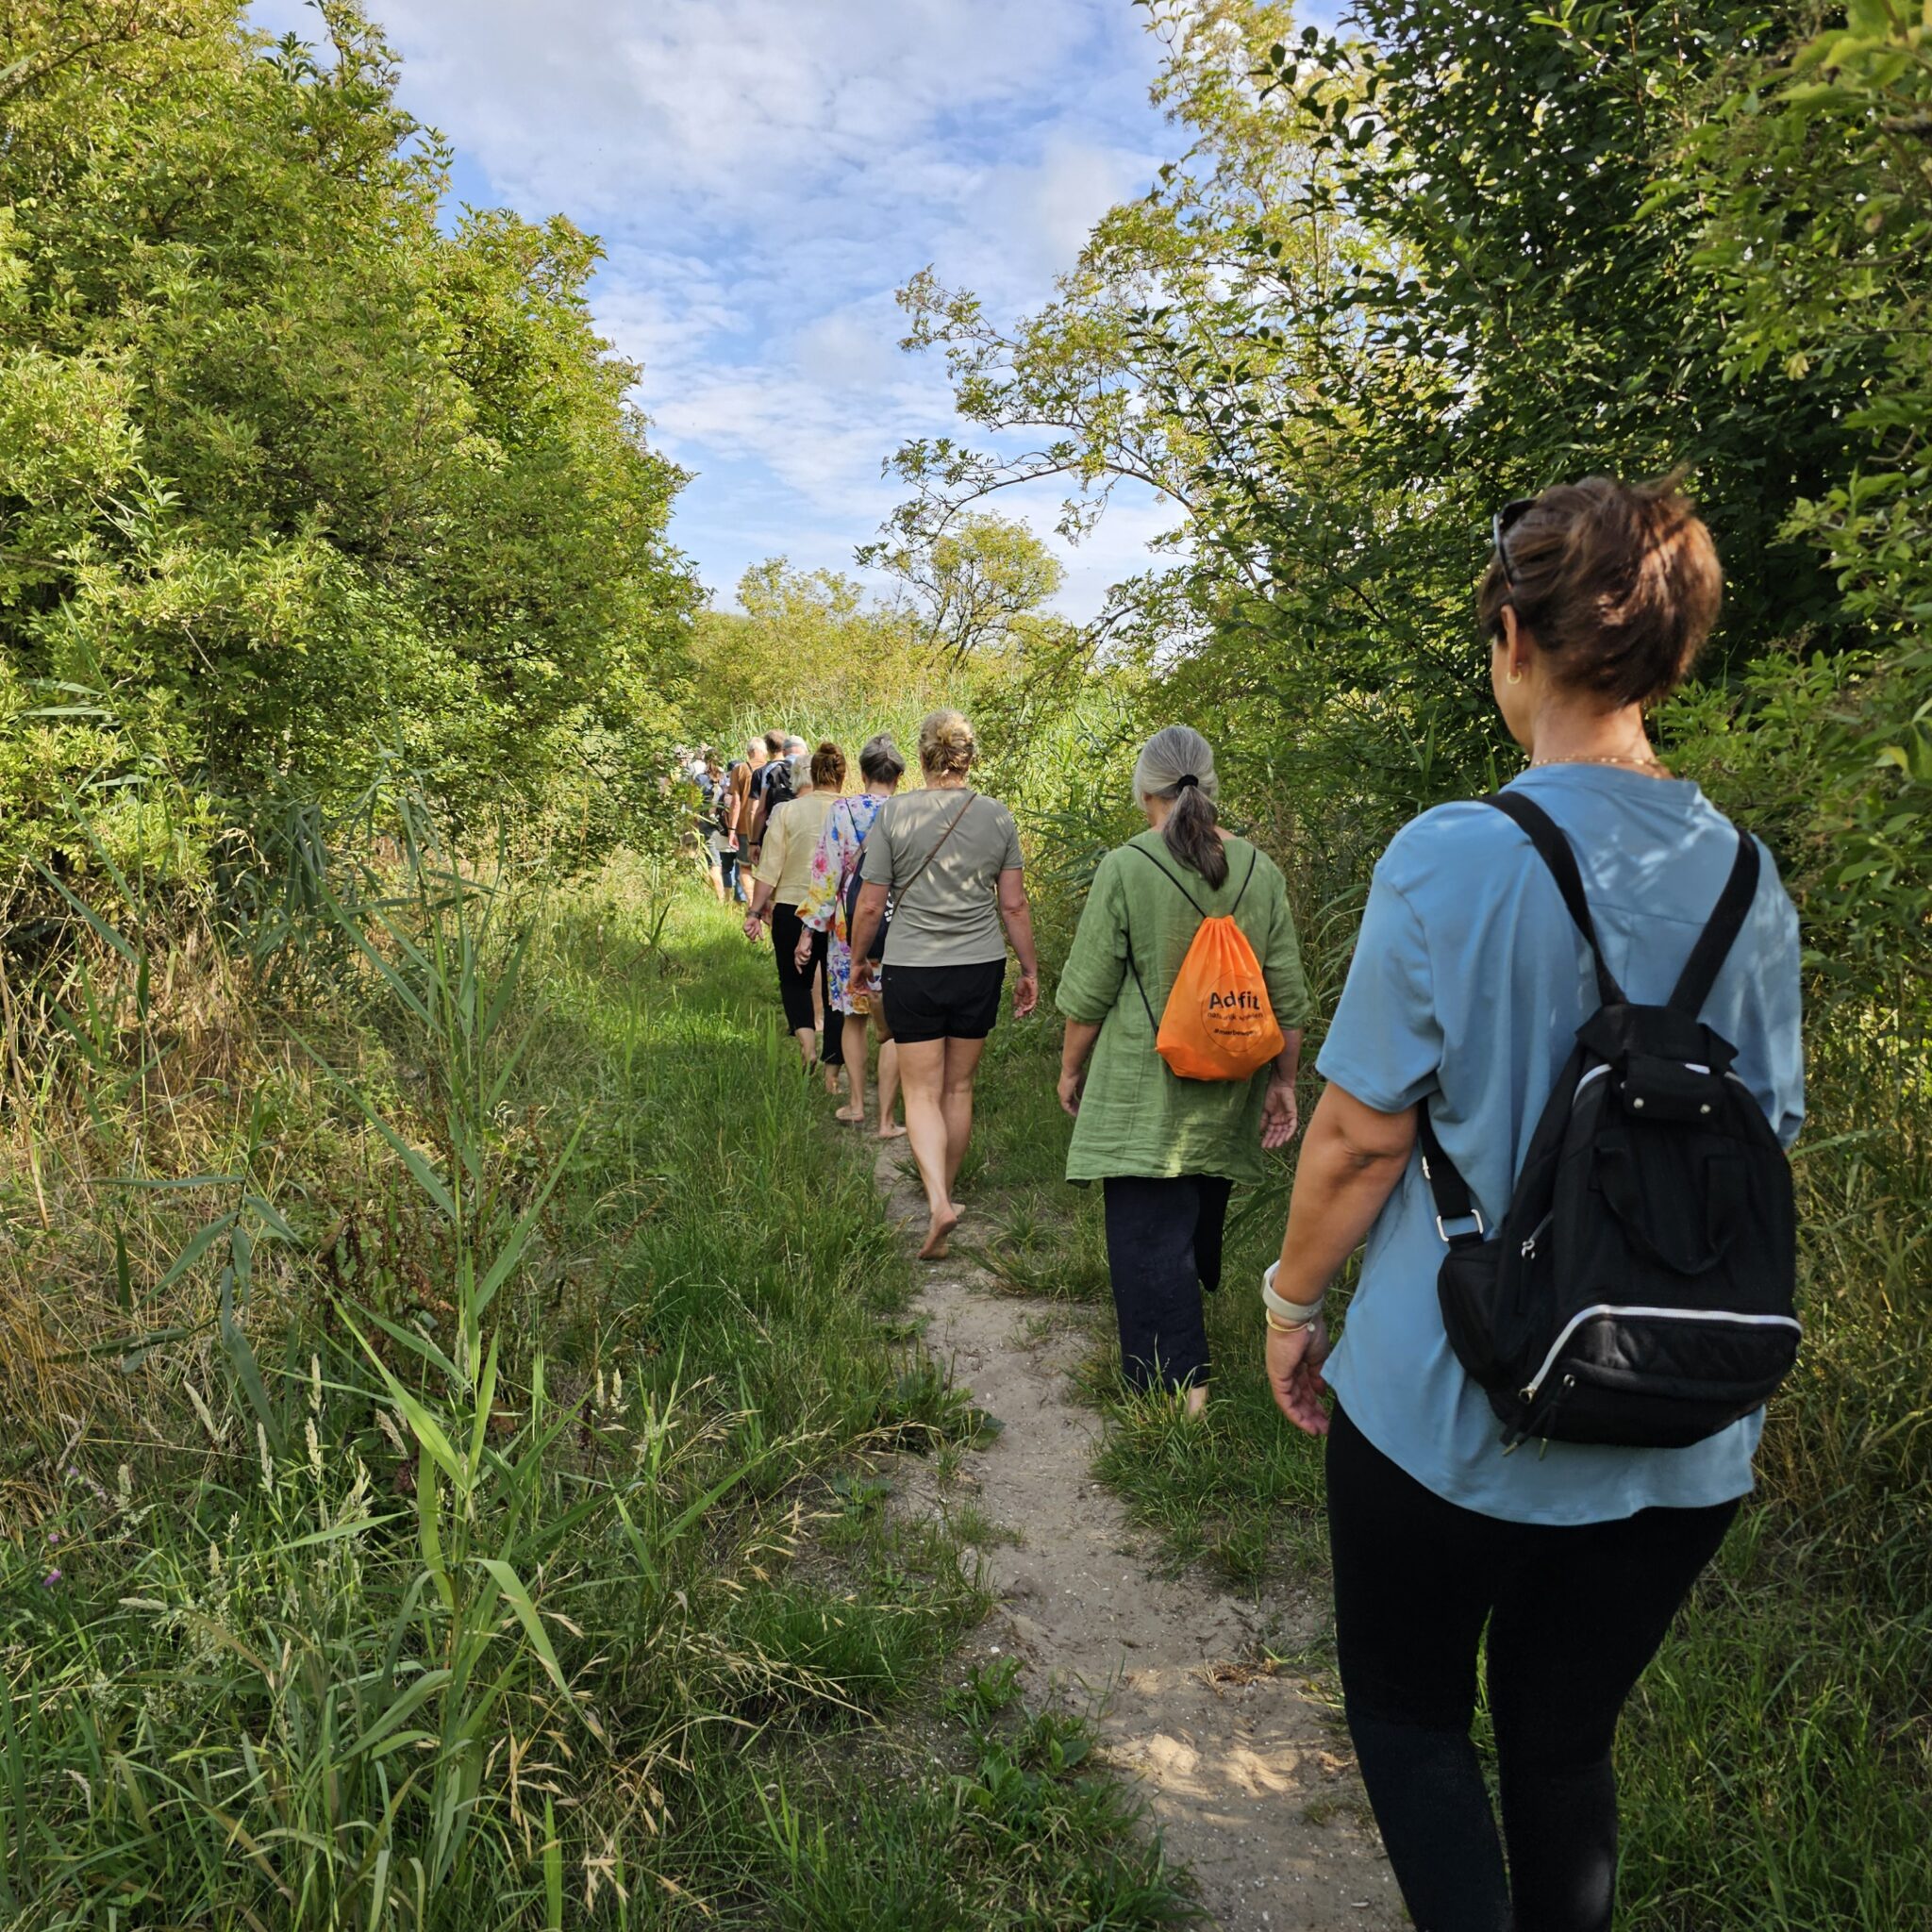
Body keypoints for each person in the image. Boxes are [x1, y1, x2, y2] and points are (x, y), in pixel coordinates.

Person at [1263, 476, 1803, 1932]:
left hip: (1453, 1401)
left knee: (1412, 1713)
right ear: (1672, 657)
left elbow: (1359, 1141)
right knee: (1566, 1741)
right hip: (1684, 1421)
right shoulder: (1754, 885)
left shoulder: (1454, 854)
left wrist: (1289, 1303)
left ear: (1513, 638)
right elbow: (1770, 1137)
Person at [1055, 726, 1311, 1415]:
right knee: (1190, 1221)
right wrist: (1283, 1082)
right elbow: (1286, 995)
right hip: (1228, 1082)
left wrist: (1071, 1067)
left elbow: (1088, 991)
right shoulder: (1261, 870)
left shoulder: (1127, 866)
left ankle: (1180, 1402)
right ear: (1210, 787)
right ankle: (1187, 1357)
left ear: (1147, 792)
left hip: (1145, 1088)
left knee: (1150, 1244)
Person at [849, 709, 1039, 1259]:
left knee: (922, 1092)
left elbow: (869, 902)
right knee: (958, 1089)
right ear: (968, 756)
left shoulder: (895, 815)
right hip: (979, 966)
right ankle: (948, 1195)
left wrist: (860, 959)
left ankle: (936, 1202)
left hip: (913, 968)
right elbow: (1014, 904)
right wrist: (1029, 970)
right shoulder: (997, 817)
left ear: (925, 755)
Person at [798, 732, 907, 1138]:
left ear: (862, 773)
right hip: (900, 927)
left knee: (853, 1017)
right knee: (893, 1023)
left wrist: (810, 931)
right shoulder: (906, 812)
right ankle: (887, 1119)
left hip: (849, 928)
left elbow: (826, 875)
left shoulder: (842, 812)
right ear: (898, 774)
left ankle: (858, 1104)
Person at [744, 741, 843, 1073]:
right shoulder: (848, 809)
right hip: (837, 911)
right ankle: (833, 1066)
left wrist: (755, 911)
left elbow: (770, 868)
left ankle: (807, 1045)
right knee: (834, 987)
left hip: (790, 906)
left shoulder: (786, 812)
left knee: (793, 980)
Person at [724, 736, 767, 896]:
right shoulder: (772, 768)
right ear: (764, 752)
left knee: (745, 867)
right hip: (766, 825)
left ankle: (750, 900)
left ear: (749, 752)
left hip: (744, 826)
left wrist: (731, 830)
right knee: (766, 868)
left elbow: (735, 802)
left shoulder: (740, 769)